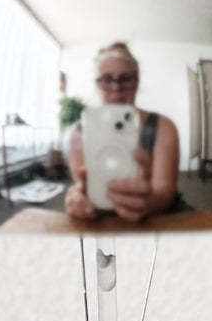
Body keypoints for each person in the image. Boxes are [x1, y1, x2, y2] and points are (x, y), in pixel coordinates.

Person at [65, 43, 181, 223]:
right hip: (101, 225)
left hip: (155, 222)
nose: (116, 88)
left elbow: (165, 193)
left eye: (125, 78)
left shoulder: (163, 127)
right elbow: (84, 186)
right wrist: (80, 201)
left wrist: (151, 201)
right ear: (96, 84)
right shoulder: (78, 132)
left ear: (137, 82)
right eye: (106, 79)